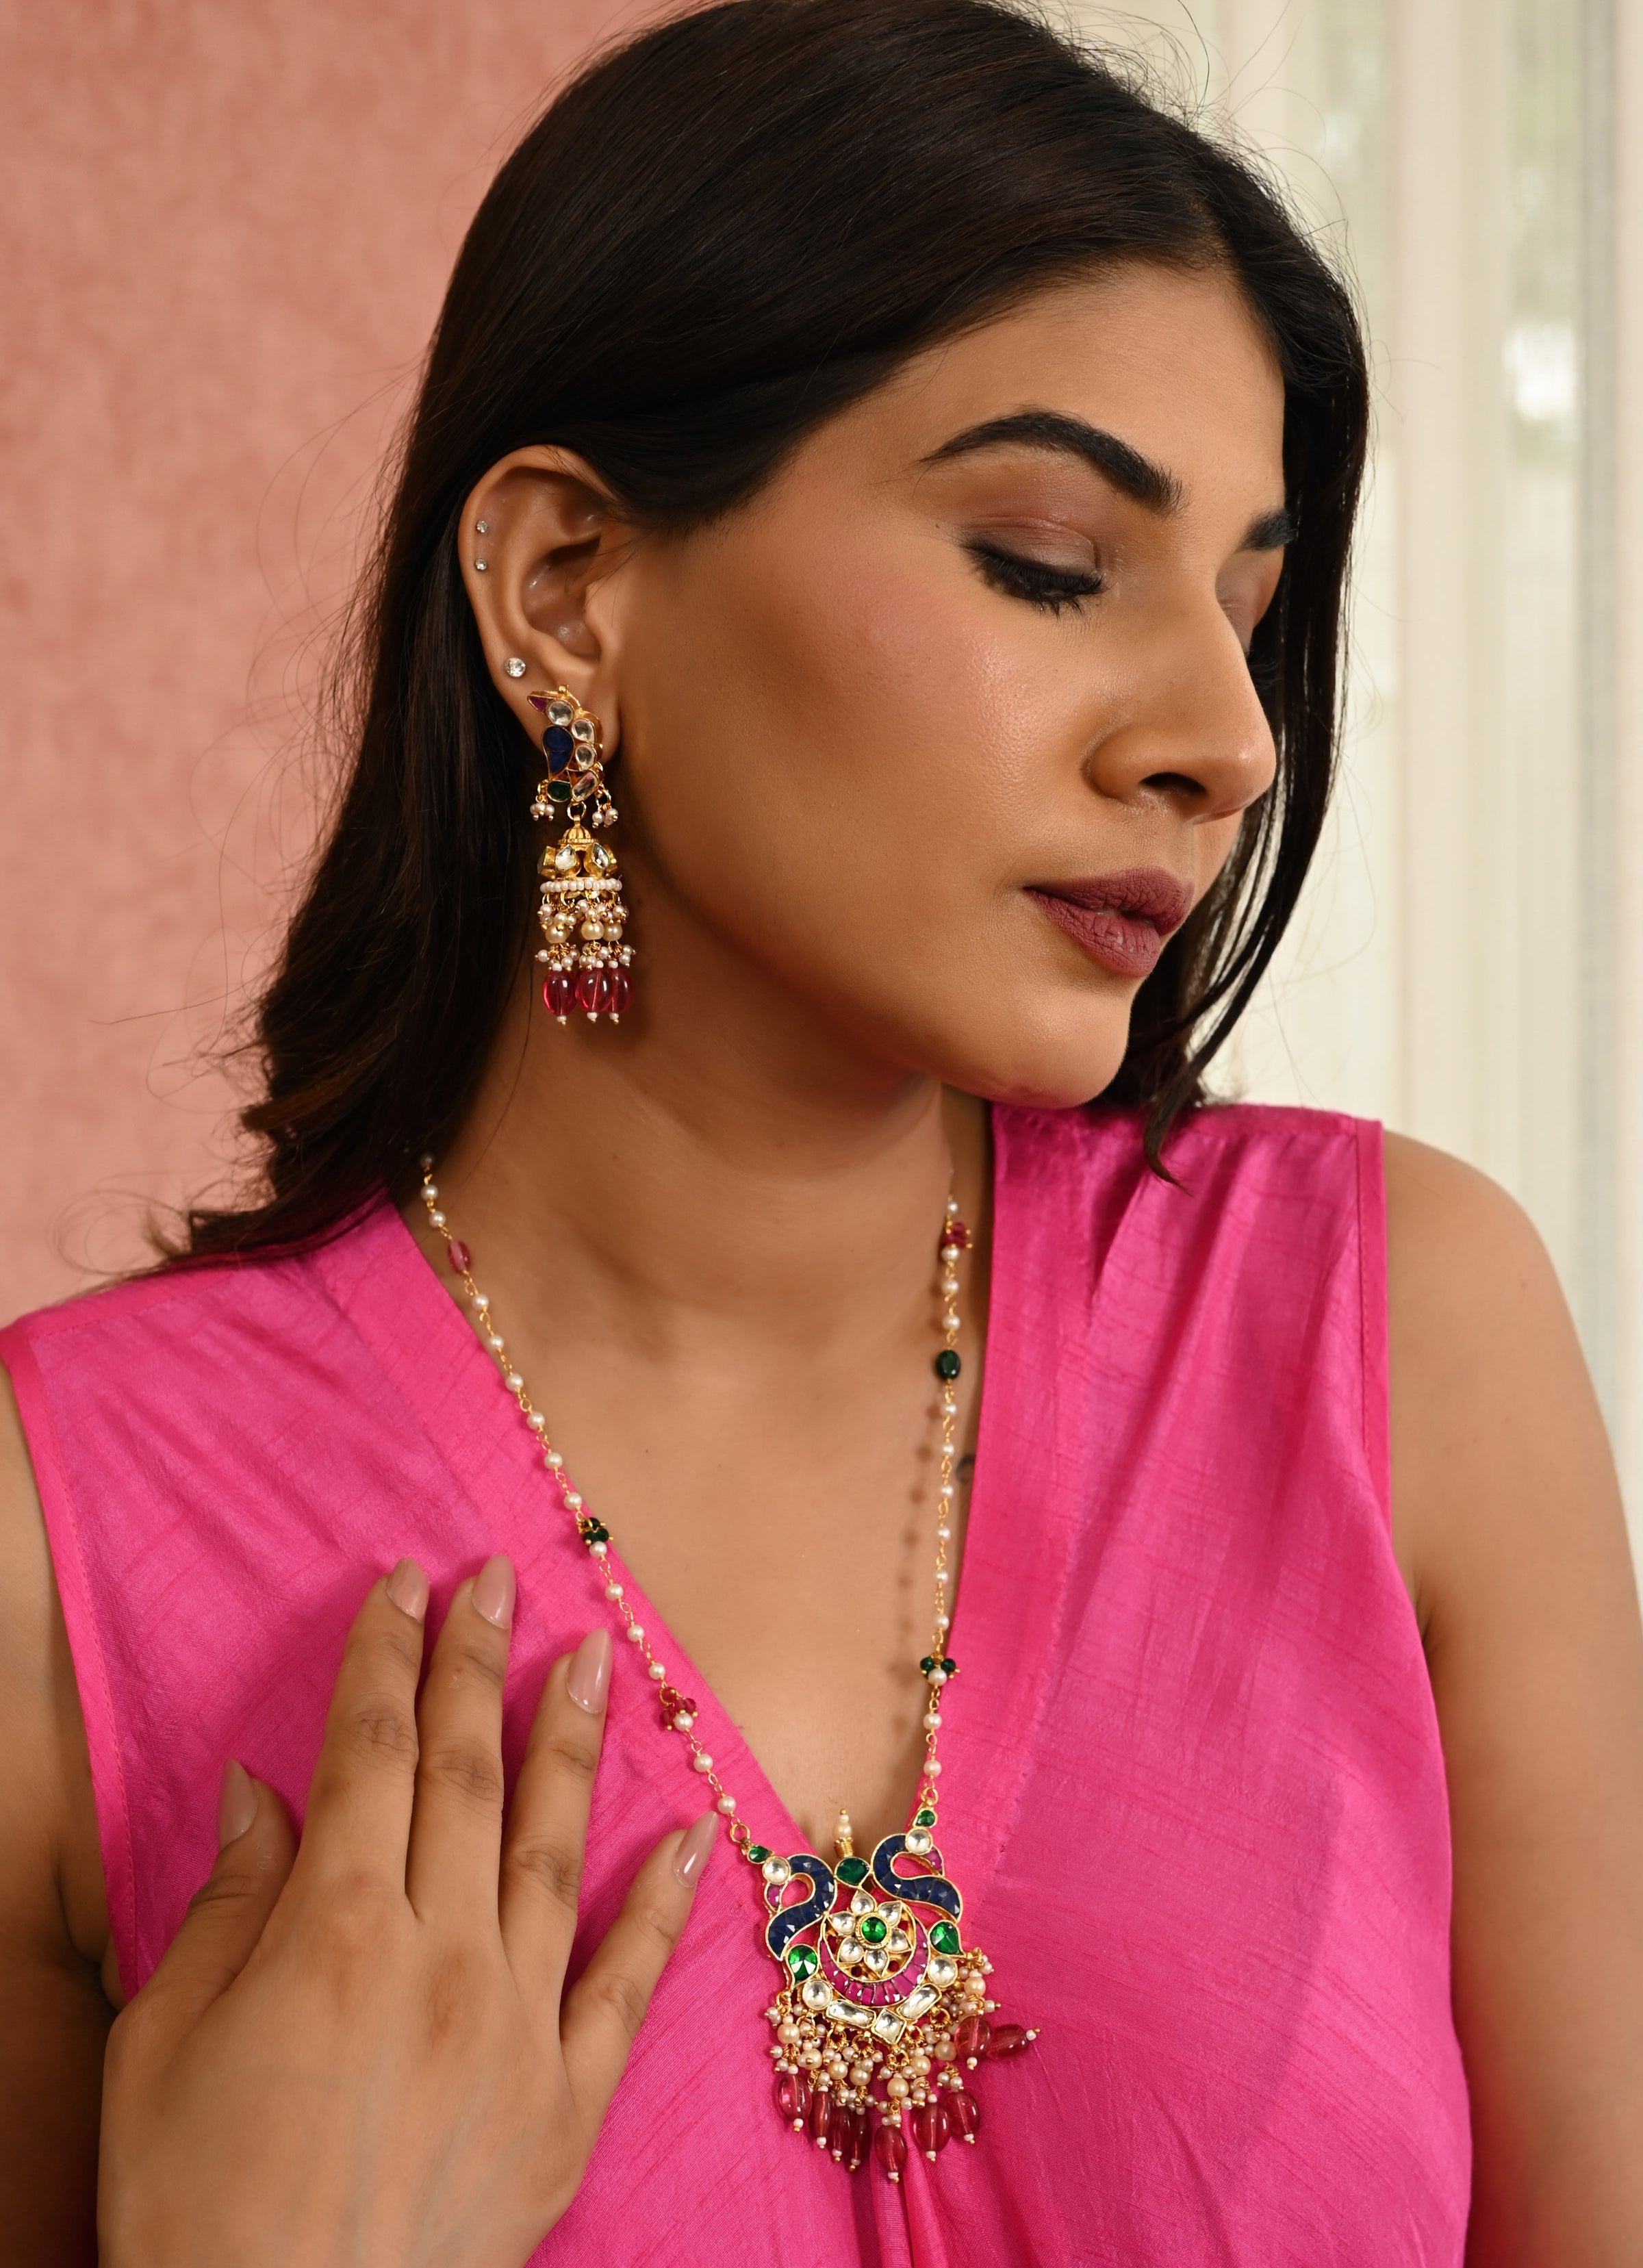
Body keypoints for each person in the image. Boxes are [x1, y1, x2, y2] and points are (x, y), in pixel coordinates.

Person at [3, 1, 1642, 2260]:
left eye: (1250, 610)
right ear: (566, 589)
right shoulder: (60, 1557)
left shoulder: (1397, 1344)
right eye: (1052, 558)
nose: (1226, 737)